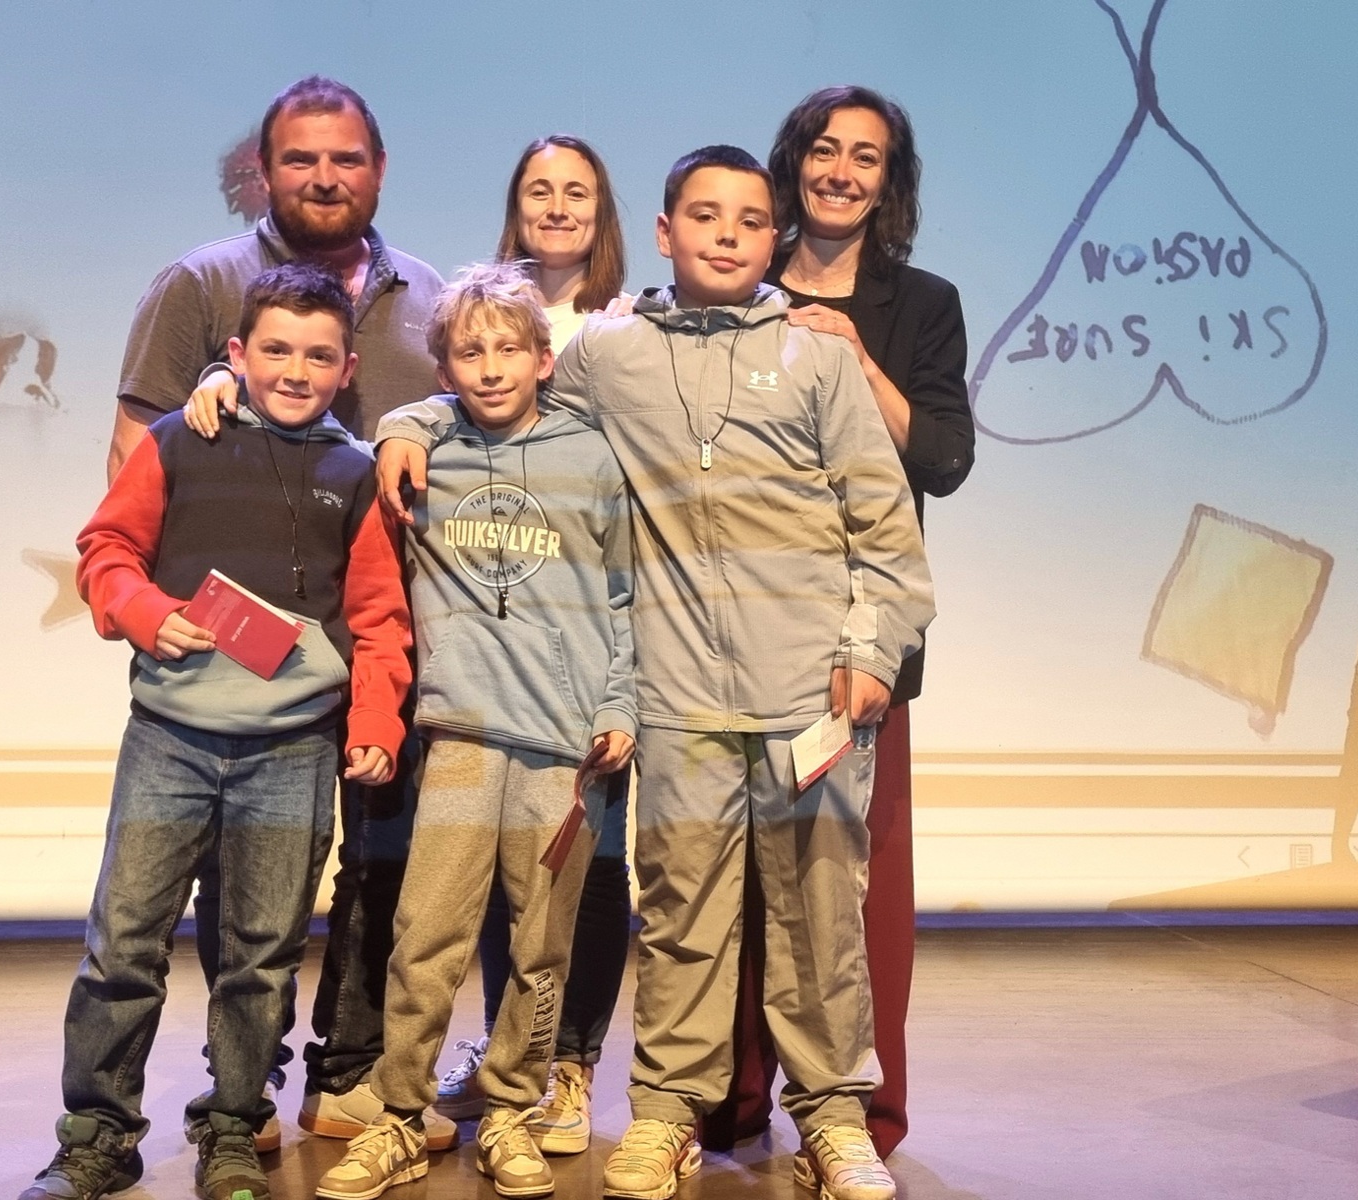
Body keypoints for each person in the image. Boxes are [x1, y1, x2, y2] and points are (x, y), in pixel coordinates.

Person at [375, 146, 935, 1200]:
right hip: (678, 700)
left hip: (808, 694)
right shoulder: (609, 351)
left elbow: (884, 523)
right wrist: (407, 423)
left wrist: (869, 651)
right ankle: (670, 1111)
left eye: (751, 220)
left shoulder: (814, 355)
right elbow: (504, 403)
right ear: (667, 232)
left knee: (819, 918)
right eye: (705, 216)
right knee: (681, 915)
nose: (728, 234)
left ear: (773, 237)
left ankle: (830, 1118)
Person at [116, 75, 455, 1153]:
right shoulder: (203, 282)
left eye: (345, 157)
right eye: (300, 158)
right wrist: (144, 606)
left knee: (379, 860)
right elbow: (137, 452)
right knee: (243, 880)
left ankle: (345, 1075)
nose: (323, 176)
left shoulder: (429, 294)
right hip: (238, 657)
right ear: (262, 171)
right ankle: (242, 1087)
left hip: (391, 631)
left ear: (379, 169)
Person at [23, 263, 412, 1200]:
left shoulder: (355, 472)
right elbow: (107, 549)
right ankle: (97, 1137)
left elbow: (378, 617)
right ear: (237, 353)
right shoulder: (179, 439)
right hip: (171, 739)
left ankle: (234, 1127)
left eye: (317, 355)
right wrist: (145, 612)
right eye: (275, 349)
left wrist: (374, 720)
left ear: (348, 368)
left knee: (260, 955)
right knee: (124, 942)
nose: (295, 370)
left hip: (293, 751)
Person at [315, 263, 635, 1200]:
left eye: (508, 349)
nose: (491, 368)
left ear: (544, 358)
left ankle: (509, 1112)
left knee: (540, 947)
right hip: (460, 736)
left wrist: (618, 705)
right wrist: (403, 425)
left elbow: (626, 596)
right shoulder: (426, 445)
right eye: (469, 352)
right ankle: (401, 1118)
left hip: (564, 749)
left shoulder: (593, 458)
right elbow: (387, 425)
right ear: (444, 366)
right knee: (428, 933)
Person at [704, 86, 975, 1164]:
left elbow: (942, 462)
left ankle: (859, 1113)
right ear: (794, 161)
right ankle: (725, 1098)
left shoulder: (922, 303)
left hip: (860, 645)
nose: (841, 171)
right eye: (825, 149)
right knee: (730, 883)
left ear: (887, 181)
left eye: (867, 156)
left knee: (858, 892)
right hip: (732, 633)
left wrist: (854, 356)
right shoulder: (733, 278)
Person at [436, 134, 633, 1156]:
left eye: (577, 193)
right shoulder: (486, 315)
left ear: (604, 212)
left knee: (587, 868)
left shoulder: (628, 324)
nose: (557, 207)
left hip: (590, 631)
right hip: (496, 642)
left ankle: (570, 1062)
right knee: (494, 873)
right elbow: (434, 404)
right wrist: (403, 426)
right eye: (538, 191)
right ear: (514, 207)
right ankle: (506, 1047)